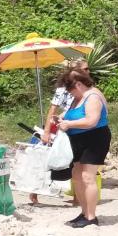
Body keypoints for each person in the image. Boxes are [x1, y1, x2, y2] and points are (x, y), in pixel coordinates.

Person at [57, 69, 111, 228]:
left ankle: (91, 216)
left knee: (88, 177)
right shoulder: (78, 97)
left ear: (79, 85)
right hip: (77, 139)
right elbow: (70, 114)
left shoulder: (93, 97)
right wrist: (61, 118)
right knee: (76, 175)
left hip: (94, 139)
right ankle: (84, 212)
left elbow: (91, 121)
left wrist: (69, 124)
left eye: (70, 90)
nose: (69, 94)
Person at [28, 60, 88, 205]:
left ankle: (76, 196)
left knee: (77, 162)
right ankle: (34, 192)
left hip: (78, 127)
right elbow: (52, 110)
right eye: (85, 69)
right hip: (62, 127)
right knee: (48, 158)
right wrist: (47, 131)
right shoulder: (63, 90)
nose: (88, 71)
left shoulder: (87, 89)